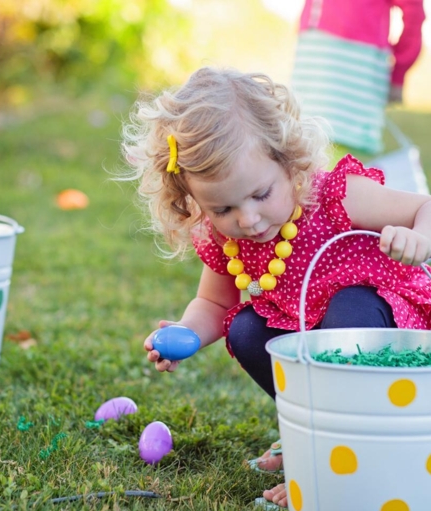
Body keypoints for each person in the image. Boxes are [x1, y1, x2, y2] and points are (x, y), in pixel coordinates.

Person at [121, 66, 431, 508]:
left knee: (348, 311)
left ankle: (332, 456)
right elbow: (213, 302)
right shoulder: (227, 236)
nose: (247, 219)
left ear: (289, 164)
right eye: (224, 207)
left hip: (381, 327)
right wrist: (189, 333)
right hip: (309, 332)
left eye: (261, 194)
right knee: (246, 329)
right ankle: (313, 433)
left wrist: (418, 238)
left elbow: (425, 206)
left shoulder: (335, 196)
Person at [291, 0, 426, 158]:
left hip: (354, 60)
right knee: (302, 144)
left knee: (345, 155)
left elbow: (413, 11)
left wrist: (399, 71)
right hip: (313, 46)